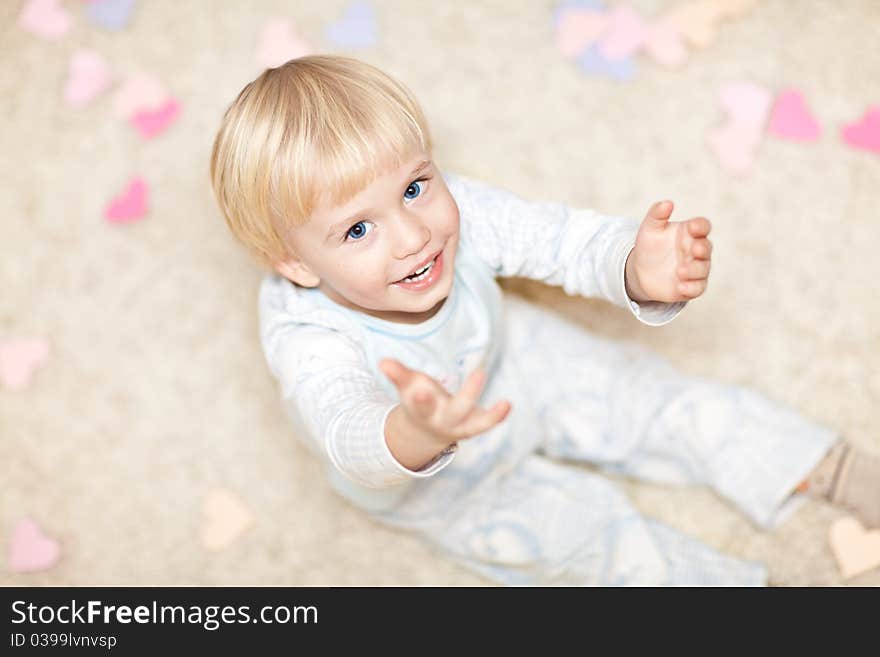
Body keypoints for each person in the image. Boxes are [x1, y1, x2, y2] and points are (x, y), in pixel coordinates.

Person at [209, 54, 879, 585]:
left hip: (512, 358)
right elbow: (342, 423)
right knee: (594, 545)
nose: (414, 234)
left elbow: (555, 239)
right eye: (358, 229)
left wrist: (630, 265)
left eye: (416, 187)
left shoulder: (458, 212)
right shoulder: (304, 336)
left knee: (655, 398)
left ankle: (830, 466)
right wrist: (411, 429)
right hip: (441, 480)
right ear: (293, 264)